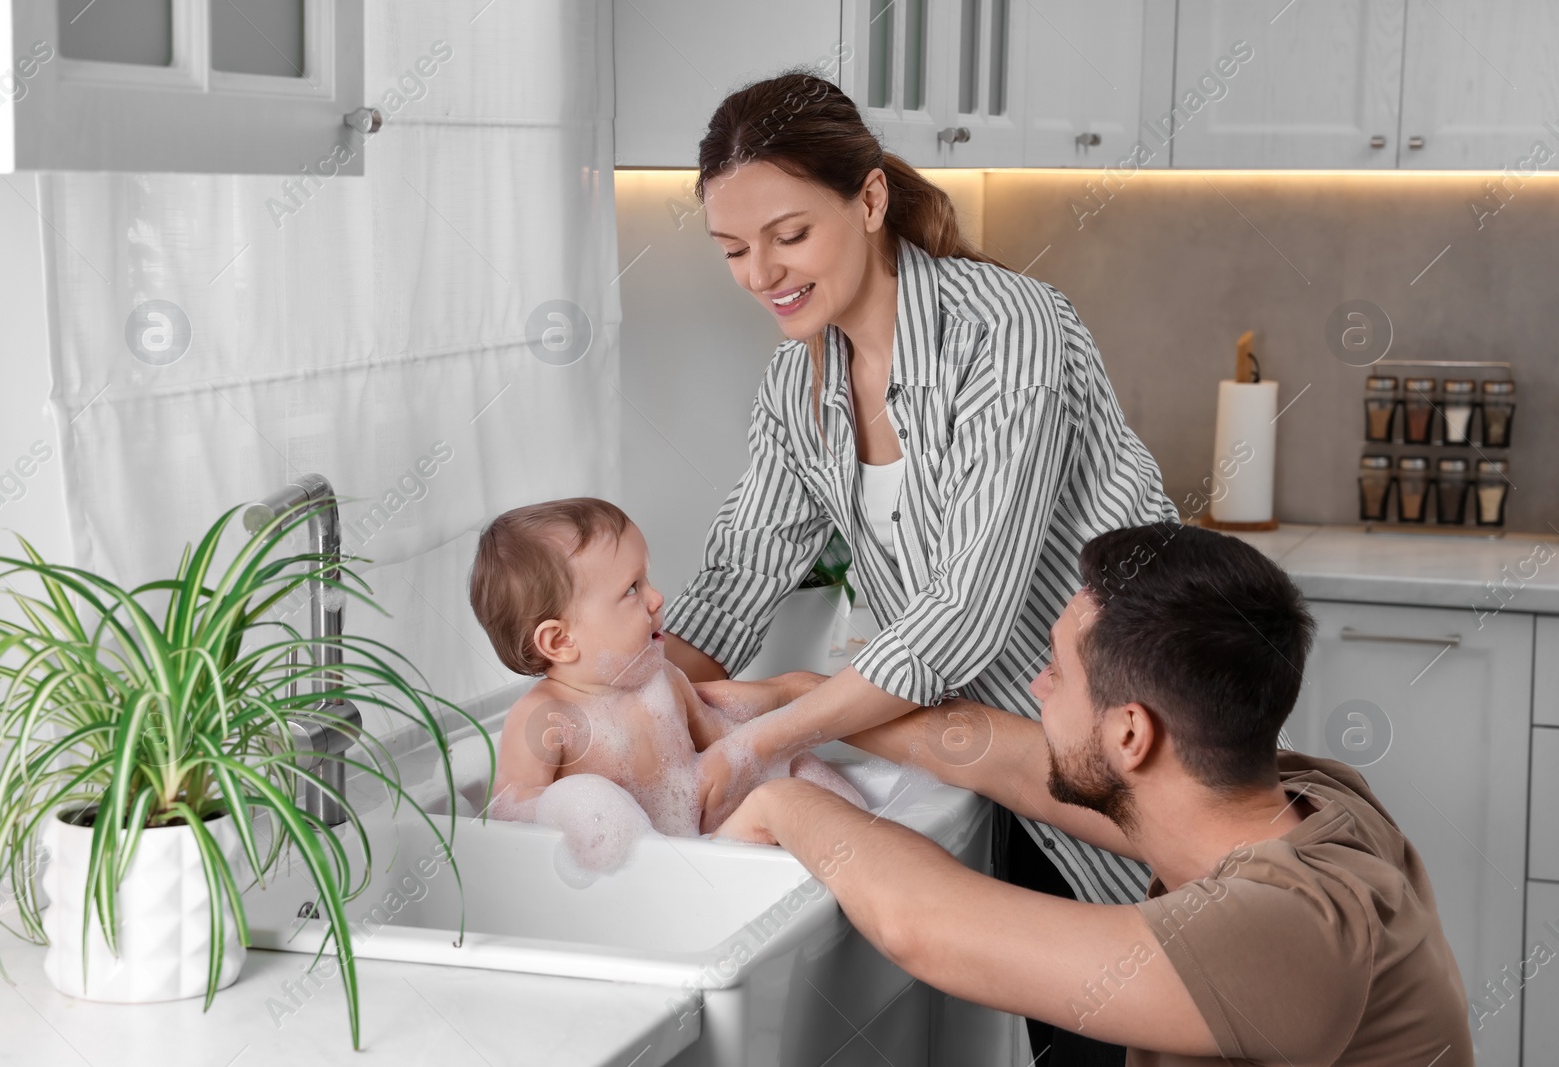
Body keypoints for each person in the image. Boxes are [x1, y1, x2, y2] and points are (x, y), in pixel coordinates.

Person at [660, 71, 1174, 1061]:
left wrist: (751, 739)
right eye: (732, 249)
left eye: (788, 234)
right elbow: (730, 584)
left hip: (1137, 754)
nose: (761, 272)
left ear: (868, 198)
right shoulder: (797, 382)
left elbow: (964, 614)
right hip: (1001, 767)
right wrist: (610, 696)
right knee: (1076, 1043)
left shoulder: (1010, 328)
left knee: (1161, 1034)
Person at [715, 523, 1474, 1065]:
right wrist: (788, 702)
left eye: (1056, 673)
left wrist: (784, 802)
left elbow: (929, 928)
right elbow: (1005, 760)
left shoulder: (1288, 931)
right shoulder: (1304, 796)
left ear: (1131, 736)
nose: (1037, 688)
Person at [467, 497, 862, 848]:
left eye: (647, 579)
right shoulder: (545, 717)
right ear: (559, 642)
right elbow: (511, 819)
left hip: (702, 845)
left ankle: (851, 827)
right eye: (632, 589)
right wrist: (578, 814)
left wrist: (778, 754)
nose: (657, 598)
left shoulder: (664, 680)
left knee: (791, 787)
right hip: (630, 871)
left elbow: (725, 740)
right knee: (773, 814)